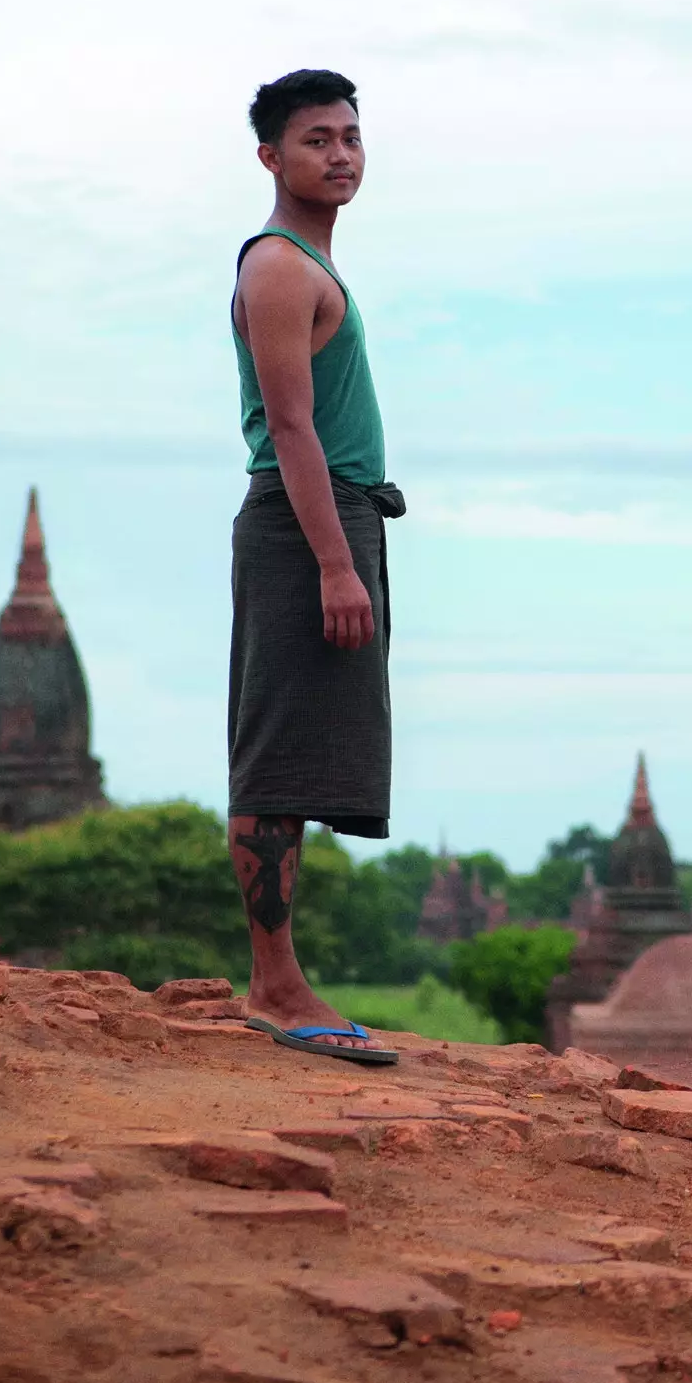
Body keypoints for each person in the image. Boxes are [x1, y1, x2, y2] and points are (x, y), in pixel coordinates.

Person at [228, 69, 403, 1065]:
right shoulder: (281, 267)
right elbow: (290, 427)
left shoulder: (310, 263)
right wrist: (336, 566)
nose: (338, 154)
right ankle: (275, 983)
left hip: (330, 518)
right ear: (270, 157)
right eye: (314, 140)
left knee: (301, 746)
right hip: (306, 525)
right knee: (278, 748)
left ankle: (281, 976)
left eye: (349, 136)